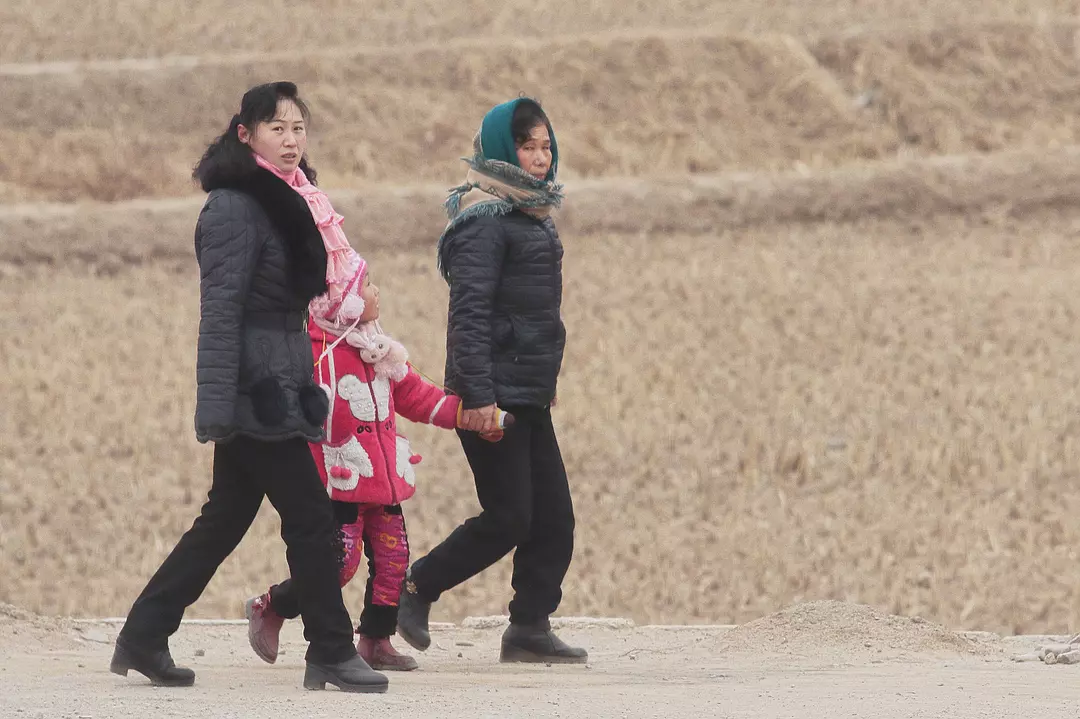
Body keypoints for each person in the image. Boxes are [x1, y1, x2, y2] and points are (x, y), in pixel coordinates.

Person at [109, 81, 387, 693]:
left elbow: (301, 302)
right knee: (313, 517)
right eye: (276, 129)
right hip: (257, 390)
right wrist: (218, 407)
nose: (291, 141)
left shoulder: (287, 202)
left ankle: (144, 634)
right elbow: (222, 314)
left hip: (281, 373)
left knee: (224, 519)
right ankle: (332, 650)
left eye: (298, 128)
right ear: (246, 134)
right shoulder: (234, 207)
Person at [396, 97, 588, 664]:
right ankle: (417, 586)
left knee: (554, 518)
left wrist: (542, 377)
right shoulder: (484, 221)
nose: (538, 157)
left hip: (526, 391)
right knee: (509, 516)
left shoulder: (532, 215)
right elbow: (470, 315)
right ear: (504, 149)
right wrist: (475, 398)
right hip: (491, 396)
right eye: (527, 146)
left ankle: (529, 628)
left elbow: (534, 315)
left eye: (545, 146)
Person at [244, 254, 463, 672]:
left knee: (394, 561)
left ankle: (375, 639)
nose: (375, 292)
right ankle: (272, 604)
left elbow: (415, 394)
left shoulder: (380, 349)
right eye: (366, 287)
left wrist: (459, 414)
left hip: (383, 482)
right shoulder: (313, 356)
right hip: (340, 480)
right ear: (340, 301)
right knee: (337, 566)